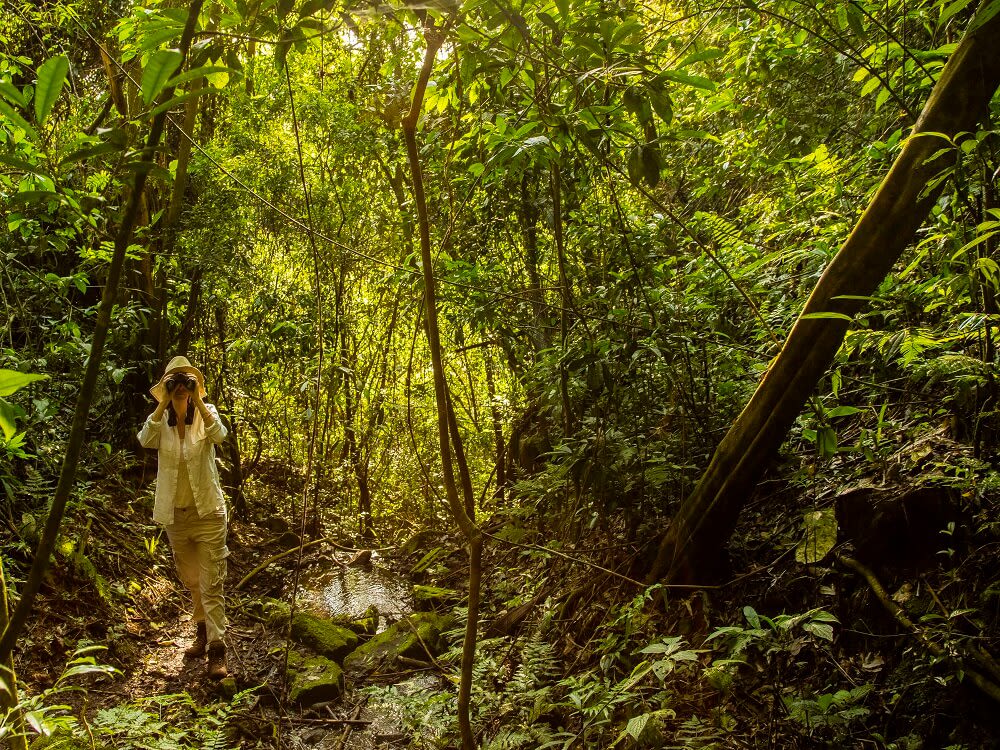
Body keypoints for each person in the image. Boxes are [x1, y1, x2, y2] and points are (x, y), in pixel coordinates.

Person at [137, 355, 230, 680]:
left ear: (195, 387)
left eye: (186, 382)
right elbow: (144, 440)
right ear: (165, 387)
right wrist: (163, 404)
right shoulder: (159, 422)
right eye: (174, 382)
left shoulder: (207, 415)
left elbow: (220, 435)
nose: (180, 387)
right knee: (192, 579)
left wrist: (198, 402)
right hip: (176, 517)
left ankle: (217, 650)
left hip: (209, 513)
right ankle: (202, 630)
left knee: (212, 581)